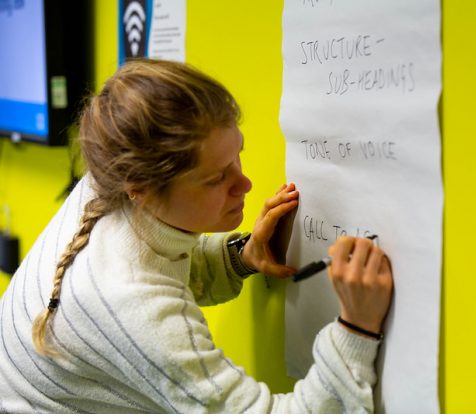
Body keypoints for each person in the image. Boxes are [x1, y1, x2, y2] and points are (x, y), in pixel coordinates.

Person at [0, 59, 393, 413]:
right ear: (142, 189)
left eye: (237, 154)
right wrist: (356, 329)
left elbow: (159, 261)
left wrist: (240, 255)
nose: (245, 183)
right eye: (216, 179)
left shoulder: (112, 173)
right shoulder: (133, 301)